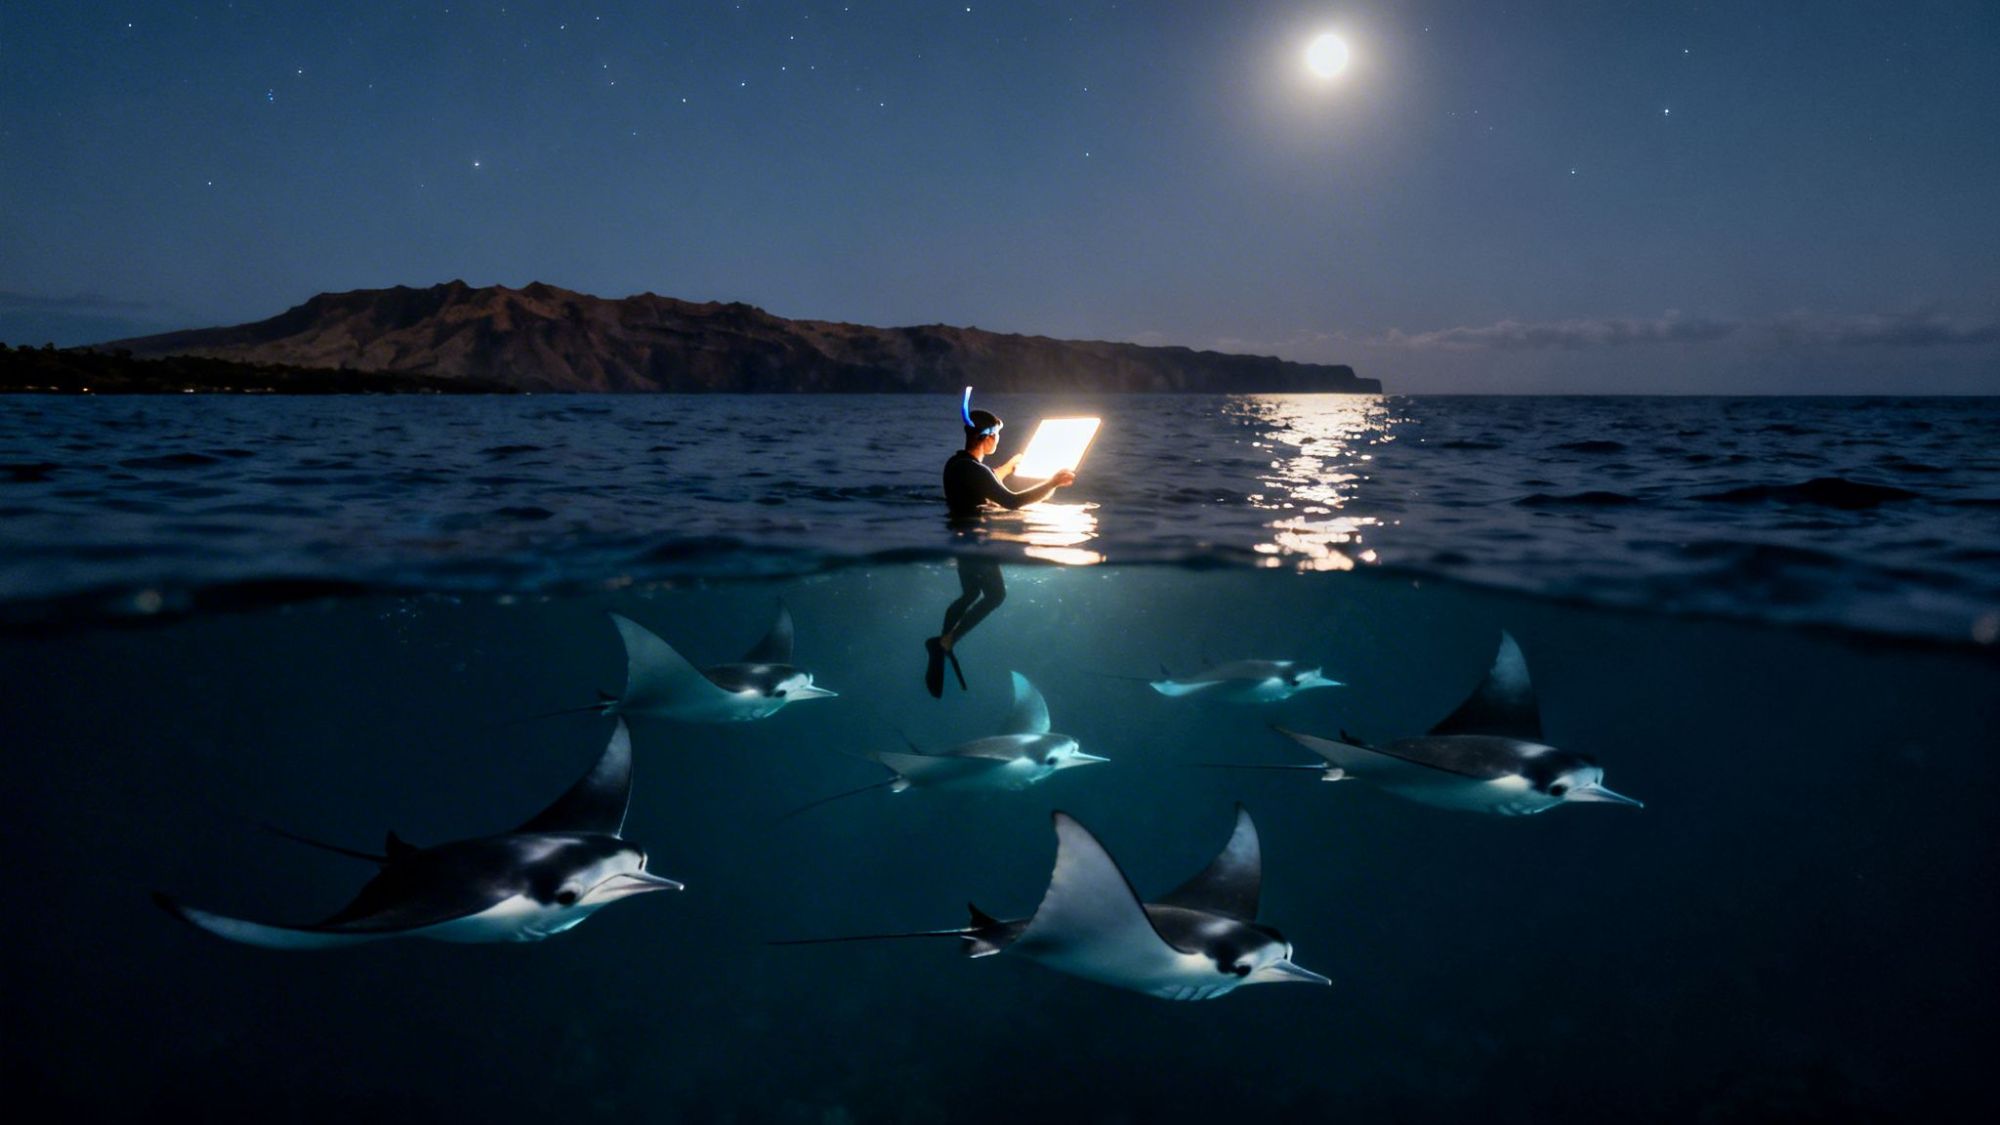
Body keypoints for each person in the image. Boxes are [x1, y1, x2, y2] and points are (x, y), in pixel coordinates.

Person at [924, 399, 1077, 697]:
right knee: (995, 595)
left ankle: (942, 642)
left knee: (970, 593)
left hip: (959, 538)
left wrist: (1005, 469)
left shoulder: (958, 464)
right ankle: (947, 641)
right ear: (988, 436)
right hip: (977, 542)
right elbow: (1012, 501)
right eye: (997, 436)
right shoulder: (975, 470)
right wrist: (1052, 482)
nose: (998, 441)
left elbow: (981, 481)